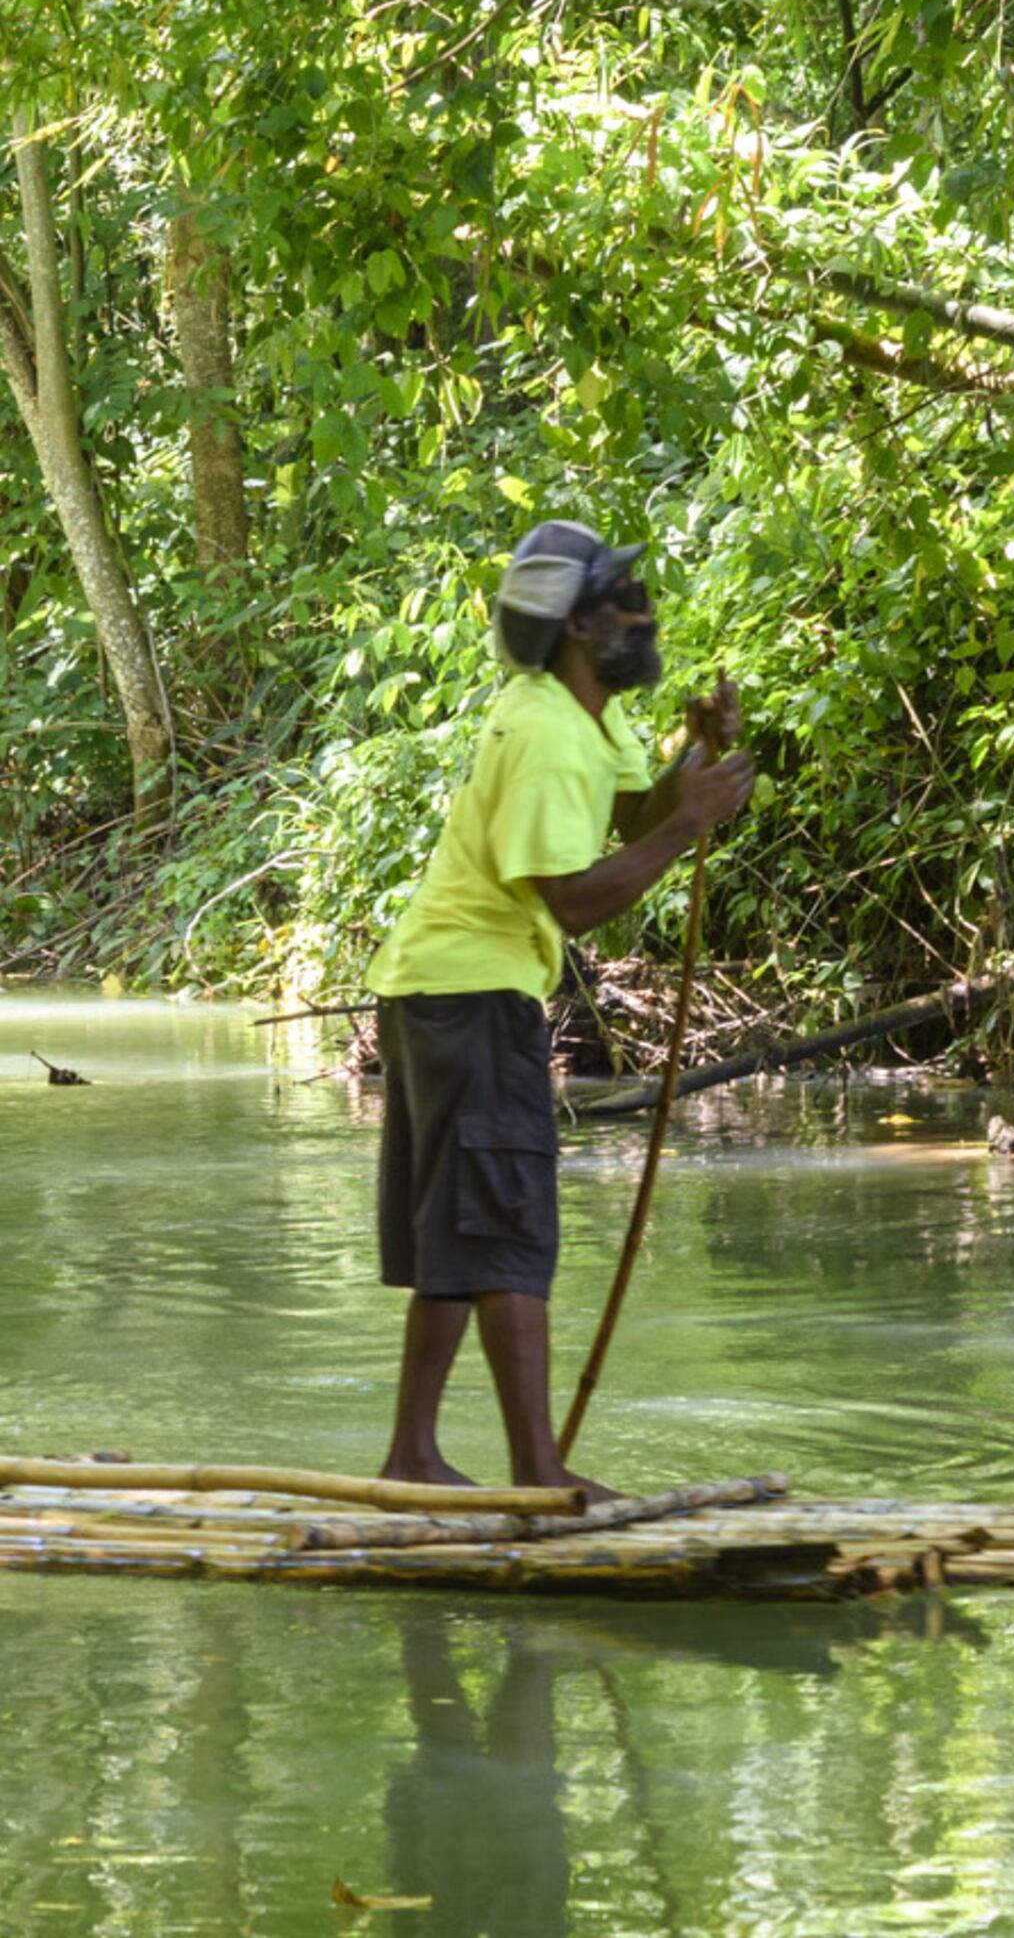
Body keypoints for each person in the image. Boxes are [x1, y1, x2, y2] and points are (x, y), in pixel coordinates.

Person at [366, 521, 754, 1493]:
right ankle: (538, 1469)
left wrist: (687, 763)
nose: (646, 612)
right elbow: (573, 899)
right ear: (579, 624)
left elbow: (627, 814)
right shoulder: (543, 731)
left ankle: (414, 1456)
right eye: (627, 598)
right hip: (469, 994)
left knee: (464, 1231)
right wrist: (694, 824)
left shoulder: (581, 714)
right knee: (507, 1229)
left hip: (440, 987)